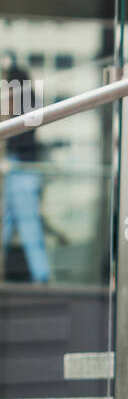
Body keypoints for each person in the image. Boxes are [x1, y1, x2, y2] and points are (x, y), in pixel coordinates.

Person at [1, 63, 51, 283]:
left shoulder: (21, 102)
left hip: (20, 170)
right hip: (20, 169)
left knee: (28, 226)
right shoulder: (30, 102)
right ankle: (41, 276)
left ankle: (42, 276)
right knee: (8, 222)